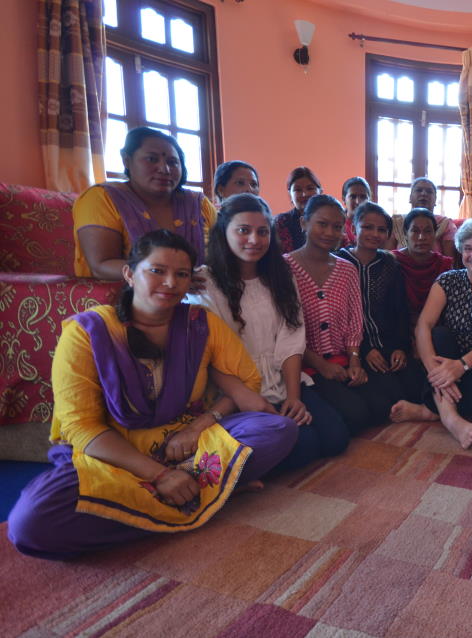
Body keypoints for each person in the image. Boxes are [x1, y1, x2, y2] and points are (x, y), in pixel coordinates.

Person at [7, 230, 297, 559]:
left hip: (185, 447)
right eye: (157, 271)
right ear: (130, 274)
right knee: (32, 525)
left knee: (278, 429)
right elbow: (80, 428)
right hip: (114, 458)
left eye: (182, 274)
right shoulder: (87, 332)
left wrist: (198, 425)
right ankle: (205, 492)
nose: (171, 283)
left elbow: (247, 380)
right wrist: (159, 474)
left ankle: (169, 497)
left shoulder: (201, 324)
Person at [189, 194, 350, 474]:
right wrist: (246, 397)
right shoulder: (204, 283)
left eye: (262, 231)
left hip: (280, 378)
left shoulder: (279, 276)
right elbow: (207, 354)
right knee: (305, 445)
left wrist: (293, 396)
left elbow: (292, 336)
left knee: (335, 438)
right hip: (233, 390)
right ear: (223, 231)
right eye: (243, 230)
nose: (254, 240)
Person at [389, 218, 472, 449]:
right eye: (468, 248)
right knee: (439, 335)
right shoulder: (447, 280)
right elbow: (423, 326)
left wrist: (461, 366)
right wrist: (435, 371)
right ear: (461, 251)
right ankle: (451, 419)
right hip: (445, 359)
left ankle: (431, 410)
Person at [284, 195, 393, 434]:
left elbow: (355, 320)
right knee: (355, 416)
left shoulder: (346, 269)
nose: (329, 233)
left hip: (343, 361)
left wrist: (355, 361)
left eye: (336, 227)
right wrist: (320, 364)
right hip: (304, 365)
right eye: (322, 224)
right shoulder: (285, 268)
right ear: (304, 223)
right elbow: (284, 329)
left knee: (382, 407)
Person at [73, 126, 216, 279]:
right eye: (152, 159)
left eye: (173, 162)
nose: (164, 169)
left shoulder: (199, 204)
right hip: (130, 297)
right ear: (127, 160)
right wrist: (175, 276)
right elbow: (102, 265)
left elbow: (224, 255)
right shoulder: (102, 198)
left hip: (204, 296)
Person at [336, 201, 423, 406]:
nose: (374, 234)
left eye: (381, 229)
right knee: (386, 399)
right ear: (353, 228)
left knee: (417, 387)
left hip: (388, 345)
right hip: (354, 350)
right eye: (367, 227)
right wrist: (365, 350)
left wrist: (400, 347)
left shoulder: (390, 264)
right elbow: (341, 316)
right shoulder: (339, 262)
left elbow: (400, 310)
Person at [392, 208, 456, 327]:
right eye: (415, 231)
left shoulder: (444, 265)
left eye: (428, 231)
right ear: (405, 234)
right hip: (397, 326)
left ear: (435, 233)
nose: (421, 237)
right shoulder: (392, 260)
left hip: (434, 327)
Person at [386, 178, 457, 262]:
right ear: (410, 198)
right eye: (419, 190)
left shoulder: (446, 224)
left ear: (435, 200)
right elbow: (387, 258)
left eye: (429, 191)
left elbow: (450, 261)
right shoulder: (397, 222)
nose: (424, 194)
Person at [274, 167, 323, 254]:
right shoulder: (281, 222)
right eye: (298, 190)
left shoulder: (332, 218)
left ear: (320, 191)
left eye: (310, 188)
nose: (305, 194)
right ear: (290, 195)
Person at [341, 176, 372, 248]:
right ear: (344, 199)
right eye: (353, 196)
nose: (358, 202)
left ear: (369, 200)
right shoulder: (336, 224)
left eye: (363, 197)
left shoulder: (376, 225)